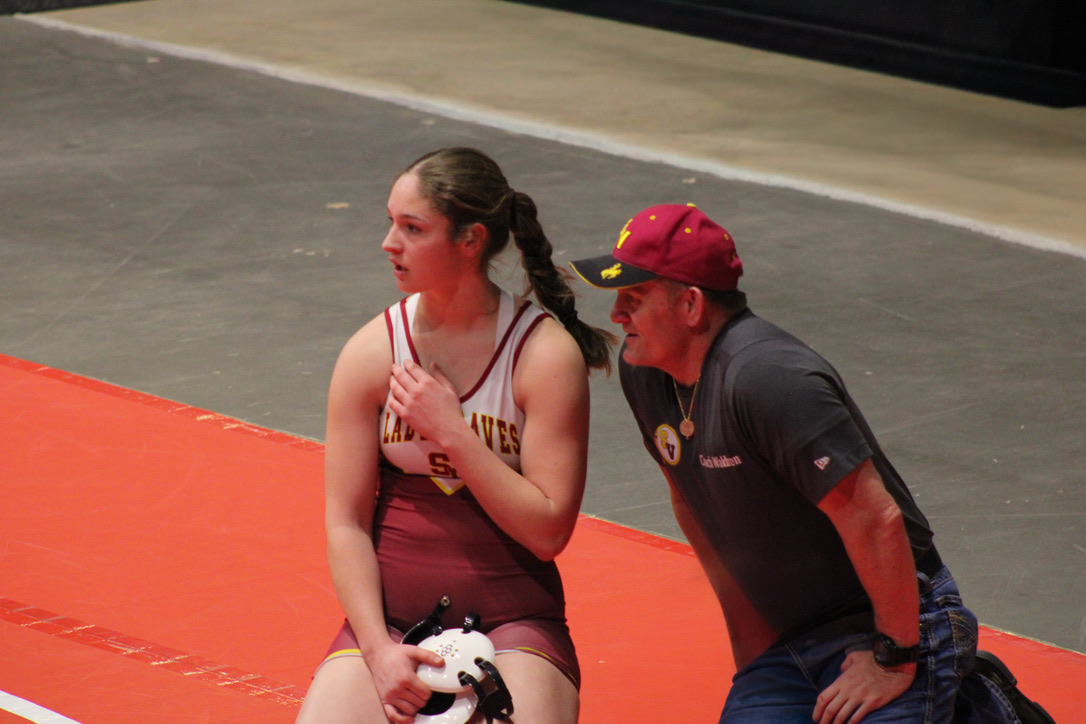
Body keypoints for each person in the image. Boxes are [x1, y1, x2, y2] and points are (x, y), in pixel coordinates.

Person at [570, 204, 1054, 723]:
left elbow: (875, 518)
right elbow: (697, 505)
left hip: (895, 620)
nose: (617, 315)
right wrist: (751, 650)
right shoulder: (646, 371)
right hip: (792, 634)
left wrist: (894, 659)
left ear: (690, 305)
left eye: (634, 298)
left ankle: (982, 707)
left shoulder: (768, 377)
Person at [296, 147, 614, 724]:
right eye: (390, 222)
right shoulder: (372, 353)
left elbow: (548, 531)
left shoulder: (542, 356)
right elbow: (344, 522)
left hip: (515, 618)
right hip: (389, 620)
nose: (389, 242)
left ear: (470, 241)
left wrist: (453, 433)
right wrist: (377, 651)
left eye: (412, 228)